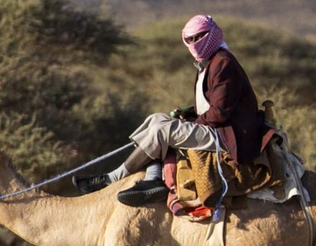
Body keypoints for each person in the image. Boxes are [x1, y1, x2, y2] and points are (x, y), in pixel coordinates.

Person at [76, 15, 266, 206]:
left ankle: (112, 178)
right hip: (216, 127)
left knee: (163, 130)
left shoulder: (223, 63)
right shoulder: (210, 63)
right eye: (189, 39)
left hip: (228, 135)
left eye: (199, 37)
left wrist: (190, 123)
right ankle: (153, 178)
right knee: (156, 119)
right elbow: (213, 104)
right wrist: (188, 113)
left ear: (213, 35)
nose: (194, 43)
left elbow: (220, 112)